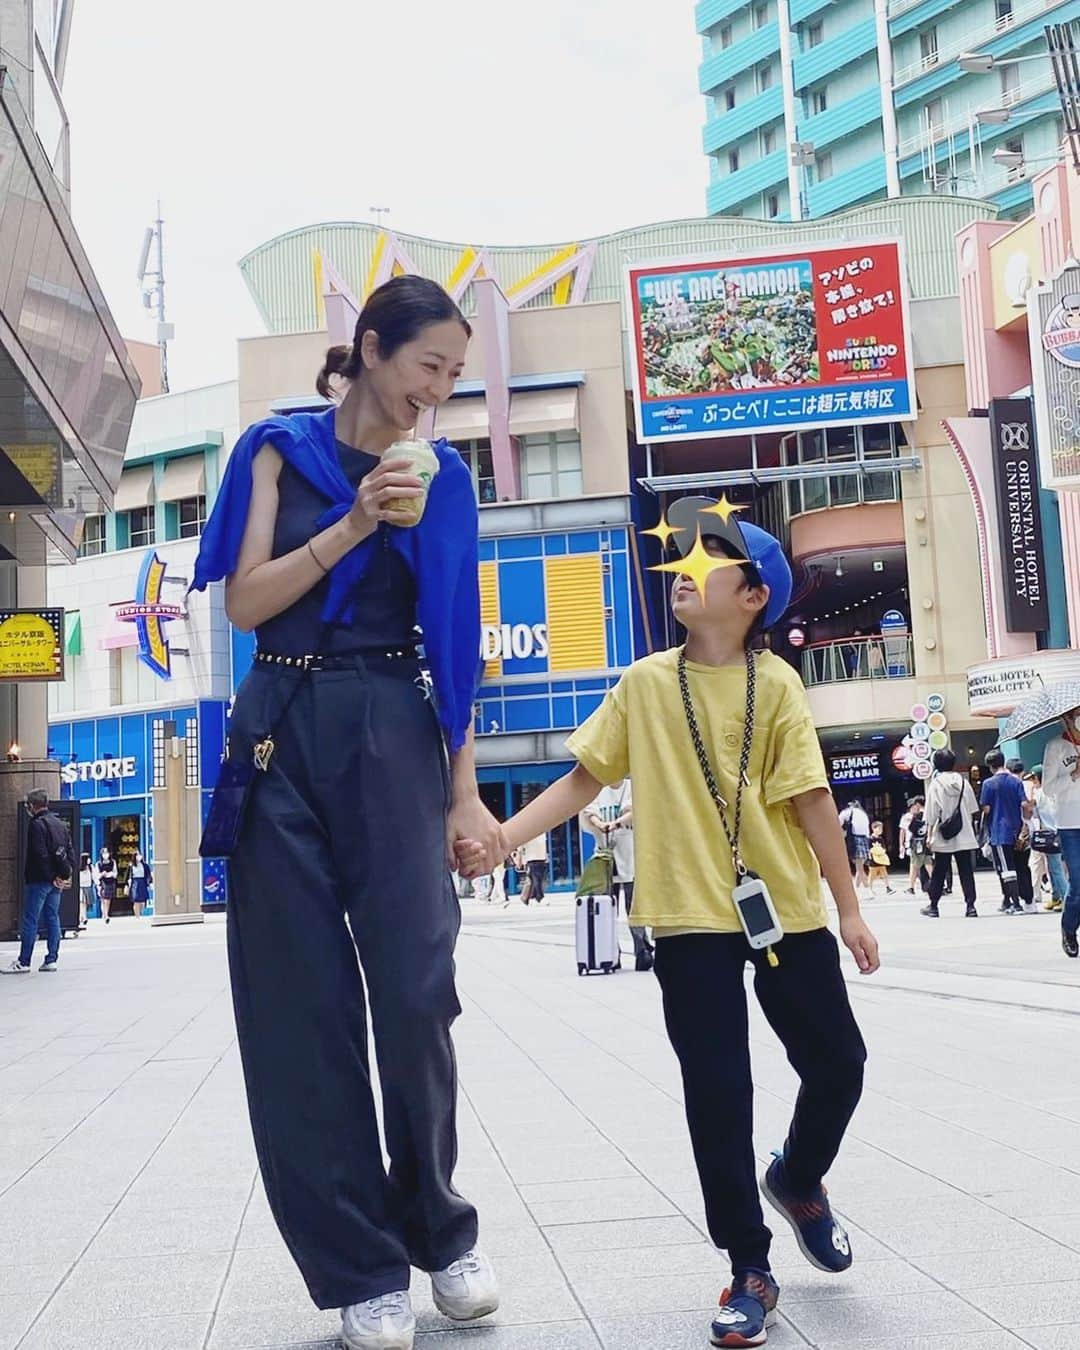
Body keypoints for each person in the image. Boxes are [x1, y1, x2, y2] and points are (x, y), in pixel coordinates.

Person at [466, 504, 878, 1348]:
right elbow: (584, 780)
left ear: (754, 595)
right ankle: (749, 1265)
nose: (685, 567)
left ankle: (799, 1179)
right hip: (687, 918)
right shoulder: (648, 684)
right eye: (681, 555)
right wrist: (505, 838)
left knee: (839, 1063)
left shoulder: (780, 686)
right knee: (718, 1093)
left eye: (709, 556)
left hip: (784, 908)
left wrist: (849, 908)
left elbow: (812, 800)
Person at [190, 276, 503, 1350]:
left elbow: (455, 641)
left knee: (418, 984)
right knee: (299, 1009)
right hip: (279, 715)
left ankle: (440, 1227)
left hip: (393, 722)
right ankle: (358, 1265)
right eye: (429, 367)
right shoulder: (274, 450)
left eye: (456, 376)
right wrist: (353, 529)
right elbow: (243, 602)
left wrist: (462, 790)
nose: (438, 392)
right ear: (370, 349)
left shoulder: (445, 477)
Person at [584, 778, 653, 972]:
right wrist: (601, 824)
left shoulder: (631, 786)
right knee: (605, 910)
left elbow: (632, 812)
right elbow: (590, 813)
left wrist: (614, 823)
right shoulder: (597, 788)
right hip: (605, 858)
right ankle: (610, 953)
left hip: (630, 858)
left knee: (634, 908)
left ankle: (642, 951)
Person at [3, 789, 73, 975]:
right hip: (56, 881)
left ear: (32, 806)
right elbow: (70, 852)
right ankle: (51, 959)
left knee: (30, 919)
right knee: (52, 917)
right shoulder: (59, 824)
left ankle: (24, 961)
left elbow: (40, 854)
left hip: (40, 879)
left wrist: (50, 876)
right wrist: (61, 876)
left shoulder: (36, 824)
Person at [1040, 709, 1080, 958]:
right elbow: (1048, 787)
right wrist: (1074, 775)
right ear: (1065, 718)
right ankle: (1069, 929)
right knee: (1077, 883)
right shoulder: (1055, 747)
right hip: (1070, 823)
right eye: (1075, 714)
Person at [922, 750, 980, 918]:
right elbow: (972, 808)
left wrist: (929, 835)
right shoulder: (963, 782)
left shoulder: (936, 784)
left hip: (943, 834)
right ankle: (970, 906)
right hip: (964, 833)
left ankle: (933, 906)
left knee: (939, 870)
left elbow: (931, 813)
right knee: (966, 871)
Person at [981, 749, 1034, 914]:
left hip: (999, 831)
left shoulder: (988, 784)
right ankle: (1016, 901)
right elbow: (1025, 805)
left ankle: (1015, 903)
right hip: (1016, 830)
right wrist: (1026, 820)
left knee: (1006, 869)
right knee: (1020, 865)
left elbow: (987, 808)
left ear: (990, 766)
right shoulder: (1015, 782)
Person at [1025, 766, 1068, 914]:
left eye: (1033, 778)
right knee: (1052, 867)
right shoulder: (1055, 791)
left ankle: (1066, 898)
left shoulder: (1040, 793)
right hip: (1060, 831)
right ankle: (1056, 896)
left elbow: (1031, 810)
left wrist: (1030, 792)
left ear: (1038, 778)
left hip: (1050, 834)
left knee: (1056, 869)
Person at [839, 798, 871, 896]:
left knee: (859, 868)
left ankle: (865, 889)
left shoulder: (847, 812)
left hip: (855, 839)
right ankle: (861, 890)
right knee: (860, 866)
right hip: (864, 839)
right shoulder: (863, 814)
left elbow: (838, 822)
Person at [899, 797, 930, 895]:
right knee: (927, 863)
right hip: (925, 842)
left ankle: (911, 887)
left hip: (916, 843)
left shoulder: (914, 816)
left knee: (915, 865)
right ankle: (937, 885)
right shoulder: (927, 814)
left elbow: (909, 829)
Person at [868, 821, 894, 895]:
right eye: (879, 828)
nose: (881, 830)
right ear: (873, 828)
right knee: (872, 874)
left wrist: (883, 852)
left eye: (881, 828)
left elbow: (883, 848)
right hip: (873, 859)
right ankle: (870, 888)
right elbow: (869, 849)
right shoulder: (870, 839)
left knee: (884, 873)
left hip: (881, 859)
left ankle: (888, 887)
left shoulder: (881, 839)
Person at [521, 833, 548, 904]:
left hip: (541, 858)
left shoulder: (542, 833)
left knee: (537, 879)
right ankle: (540, 897)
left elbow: (544, 846)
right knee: (536, 879)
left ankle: (532, 897)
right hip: (532, 859)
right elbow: (523, 848)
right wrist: (524, 861)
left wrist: (545, 856)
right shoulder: (529, 834)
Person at [94, 847, 117, 924]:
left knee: (108, 899)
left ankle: (106, 914)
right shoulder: (98, 864)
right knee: (103, 899)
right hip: (102, 883)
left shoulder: (113, 862)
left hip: (110, 882)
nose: (105, 855)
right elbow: (96, 875)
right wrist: (102, 874)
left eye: (107, 853)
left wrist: (110, 874)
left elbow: (115, 873)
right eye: (104, 853)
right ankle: (105, 914)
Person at [128, 850, 152, 917]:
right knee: (136, 900)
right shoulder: (131, 865)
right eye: (137, 855)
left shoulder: (145, 865)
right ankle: (137, 916)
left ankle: (141, 912)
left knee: (142, 901)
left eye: (140, 855)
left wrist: (149, 882)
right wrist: (128, 885)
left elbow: (148, 875)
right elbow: (129, 876)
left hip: (142, 883)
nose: (139, 856)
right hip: (135, 883)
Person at [78, 852, 93, 929]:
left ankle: (82, 916)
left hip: (88, 887)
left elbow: (94, 876)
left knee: (85, 903)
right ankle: (83, 917)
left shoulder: (90, 867)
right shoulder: (79, 868)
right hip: (81, 887)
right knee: (82, 903)